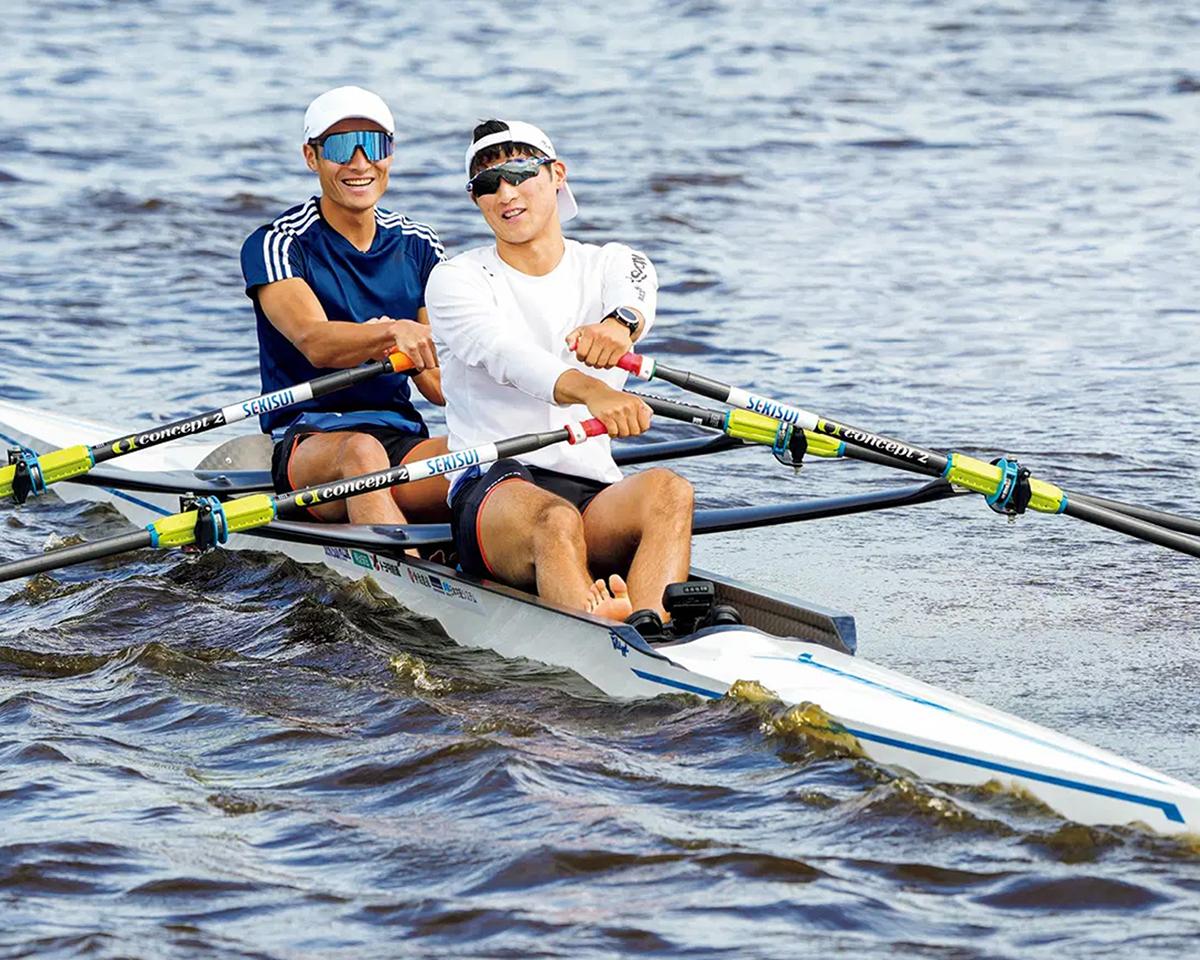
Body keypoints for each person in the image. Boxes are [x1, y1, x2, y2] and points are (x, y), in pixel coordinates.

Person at [425, 119, 694, 627]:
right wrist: (593, 391)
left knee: (669, 491)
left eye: (520, 173)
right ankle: (607, 635)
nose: (505, 193)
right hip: (493, 486)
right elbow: (507, 356)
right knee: (555, 521)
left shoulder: (611, 261)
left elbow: (636, 292)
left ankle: (648, 622)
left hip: (592, 490)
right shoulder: (457, 279)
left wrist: (619, 327)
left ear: (557, 174)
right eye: (487, 184)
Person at [240, 85, 449, 525]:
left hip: (401, 433)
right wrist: (393, 333)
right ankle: (408, 579)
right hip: (310, 437)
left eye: (373, 145)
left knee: (481, 456)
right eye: (339, 146)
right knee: (361, 452)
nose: (359, 163)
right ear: (311, 157)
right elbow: (316, 342)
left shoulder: (420, 245)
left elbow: (439, 387)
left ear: (389, 154)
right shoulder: (277, 243)